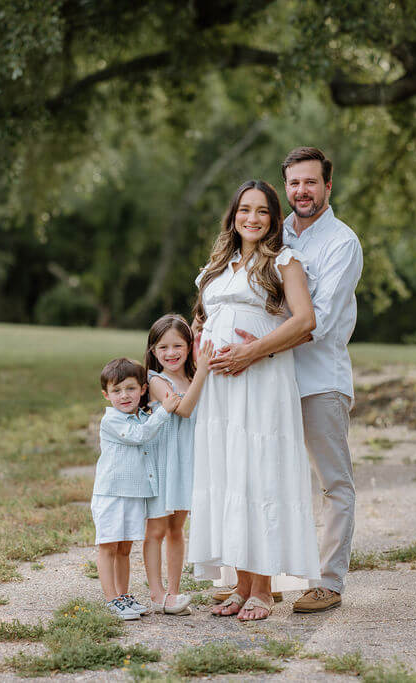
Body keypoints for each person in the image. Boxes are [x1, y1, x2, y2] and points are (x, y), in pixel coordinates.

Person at [208, 147, 363, 613]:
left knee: (332, 482)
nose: (302, 191)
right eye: (294, 183)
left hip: (317, 378)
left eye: (311, 182)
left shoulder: (342, 243)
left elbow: (319, 320)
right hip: (267, 381)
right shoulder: (274, 235)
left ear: (328, 186)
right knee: (260, 475)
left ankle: (327, 582)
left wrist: (251, 350)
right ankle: (260, 577)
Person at [188, 179, 321, 622]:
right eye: (245, 209)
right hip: (219, 387)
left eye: (262, 211)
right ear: (233, 215)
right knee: (229, 474)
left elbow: (305, 321)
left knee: (258, 472)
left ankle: (262, 589)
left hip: (260, 379)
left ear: (274, 219)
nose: (252, 218)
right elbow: (203, 317)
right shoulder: (217, 265)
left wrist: (251, 351)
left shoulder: (284, 261)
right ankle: (240, 585)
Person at [92, 357, 180, 621]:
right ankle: (111, 599)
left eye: (130, 388)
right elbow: (140, 436)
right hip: (111, 494)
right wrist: (165, 411)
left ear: (143, 389)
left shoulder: (142, 416)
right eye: (116, 391)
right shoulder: (112, 421)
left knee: (124, 549)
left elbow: (149, 434)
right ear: (106, 395)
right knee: (108, 547)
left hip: (134, 495)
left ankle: (123, 594)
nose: (124, 395)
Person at [141, 314, 214, 615]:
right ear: (153, 352)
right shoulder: (155, 379)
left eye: (178, 346)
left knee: (177, 530)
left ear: (189, 346)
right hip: (162, 463)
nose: (170, 353)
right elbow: (183, 409)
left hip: (186, 463)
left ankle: (174, 591)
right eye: (163, 347)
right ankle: (157, 593)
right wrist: (203, 371)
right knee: (155, 530)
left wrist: (197, 332)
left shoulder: (192, 375)